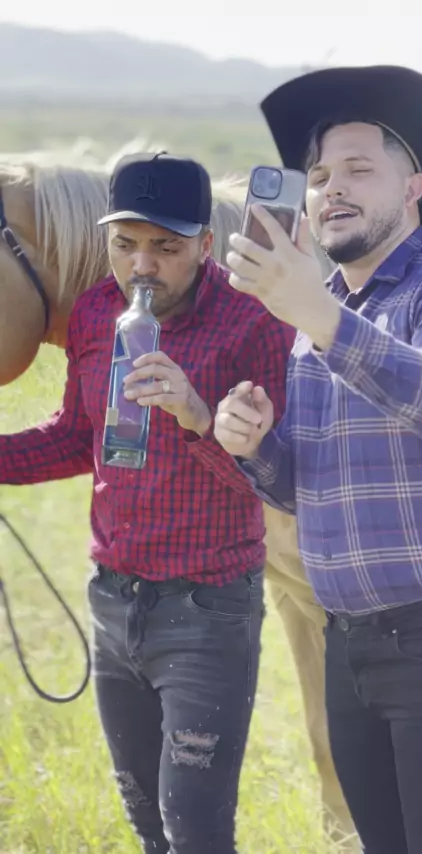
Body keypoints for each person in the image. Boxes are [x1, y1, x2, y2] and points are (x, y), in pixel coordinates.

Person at [214, 64, 422, 854]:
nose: (332, 187)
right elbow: (312, 489)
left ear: (413, 189)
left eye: (360, 169)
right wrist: (258, 447)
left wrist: (320, 316)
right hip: (349, 645)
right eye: (321, 174)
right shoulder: (321, 317)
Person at [0, 152, 295, 854]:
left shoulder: (253, 322)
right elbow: (78, 437)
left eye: (165, 247)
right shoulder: (96, 312)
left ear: (205, 243)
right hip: (114, 600)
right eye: (125, 243)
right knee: (145, 822)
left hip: (206, 611)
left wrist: (196, 414)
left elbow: (276, 480)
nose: (142, 266)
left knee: (195, 830)